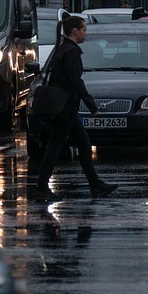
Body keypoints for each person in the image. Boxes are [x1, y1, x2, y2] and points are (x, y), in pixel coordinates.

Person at [34, 15, 118, 201]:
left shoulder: (62, 49)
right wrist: (92, 106)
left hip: (64, 107)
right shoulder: (70, 52)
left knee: (82, 144)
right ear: (75, 31)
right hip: (65, 108)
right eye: (84, 30)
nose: (86, 34)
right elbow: (75, 82)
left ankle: (95, 185)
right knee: (56, 148)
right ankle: (41, 189)